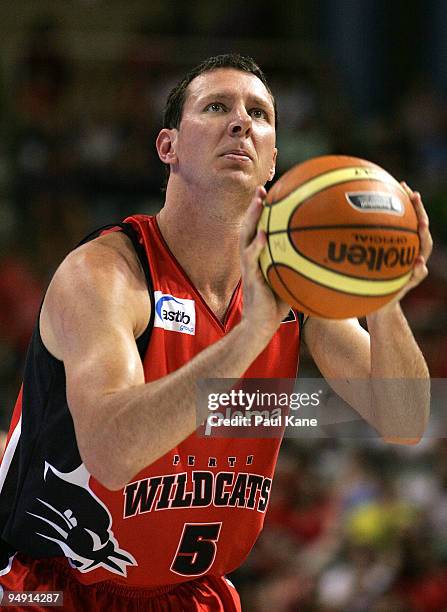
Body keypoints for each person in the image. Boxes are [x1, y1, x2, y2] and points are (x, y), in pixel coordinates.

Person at [0, 54, 431, 611]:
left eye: (259, 113)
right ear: (168, 147)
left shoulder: (294, 278)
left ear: (273, 158)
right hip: (49, 588)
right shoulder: (106, 274)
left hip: (194, 594)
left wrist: (384, 293)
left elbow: (403, 419)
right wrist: (251, 334)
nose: (241, 122)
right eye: (216, 107)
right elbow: (111, 453)